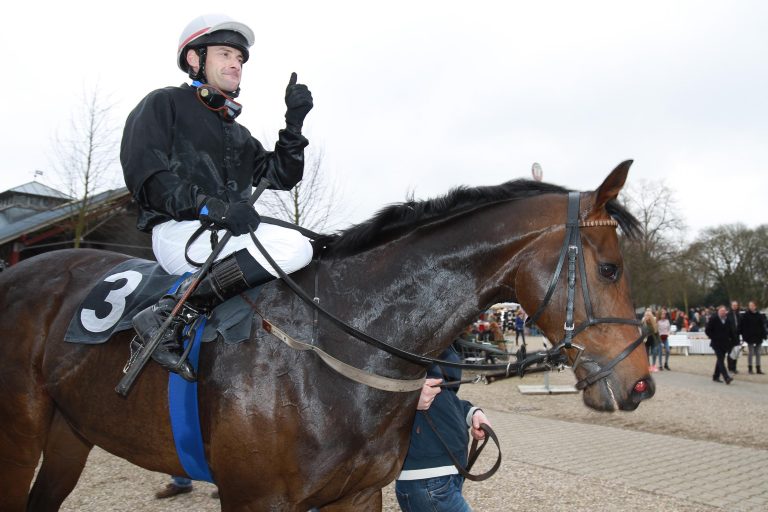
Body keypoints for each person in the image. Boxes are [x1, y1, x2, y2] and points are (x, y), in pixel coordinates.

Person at [121, 14, 314, 381]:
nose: (235, 65)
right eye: (225, 54)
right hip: (179, 231)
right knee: (295, 249)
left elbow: (281, 175)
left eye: (239, 59)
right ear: (195, 59)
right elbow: (147, 177)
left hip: (229, 234)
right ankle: (168, 313)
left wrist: (294, 125)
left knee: (312, 246)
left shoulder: (237, 132)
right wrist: (212, 207)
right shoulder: (162, 104)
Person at [396, 344, 491, 512]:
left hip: (445, 476)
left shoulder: (442, 335)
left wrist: (472, 413)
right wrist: (407, 399)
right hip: (427, 480)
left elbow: (446, 397)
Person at [705, 305, 733, 384]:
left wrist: (734, 340)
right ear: (718, 312)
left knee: (720, 360)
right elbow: (707, 330)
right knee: (721, 360)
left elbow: (731, 331)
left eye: (724, 311)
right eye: (721, 311)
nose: (723, 313)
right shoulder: (713, 319)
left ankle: (715, 376)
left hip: (724, 344)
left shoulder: (728, 320)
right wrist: (713, 337)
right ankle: (726, 377)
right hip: (716, 343)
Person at [740, 300, 766, 374]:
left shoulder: (759, 315)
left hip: (758, 336)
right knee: (750, 352)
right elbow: (743, 327)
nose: (751, 307)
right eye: (750, 305)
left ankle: (758, 368)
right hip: (749, 337)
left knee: (758, 353)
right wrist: (744, 336)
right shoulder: (746, 315)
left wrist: (764, 335)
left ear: (755, 306)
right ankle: (750, 368)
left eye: (752, 305)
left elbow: (762, 326)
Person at [726, 301, 743, 374]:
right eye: (733, 305)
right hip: (730, 336)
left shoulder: (739, 315)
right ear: (731, 306)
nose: (735, 306)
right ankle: (730, 367)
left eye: (736, 305)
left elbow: (741, 325)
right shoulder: (728, 315)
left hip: (737, 336)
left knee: (736, 352)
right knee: (730, 352)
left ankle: (734, 368)